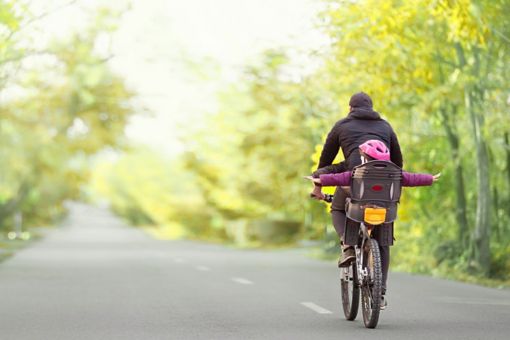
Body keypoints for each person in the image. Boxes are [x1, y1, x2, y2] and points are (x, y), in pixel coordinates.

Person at [307, 140, 440, 309]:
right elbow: (411, 178)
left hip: (360, 211)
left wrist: (318, 180)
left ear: (365, 157)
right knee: (384, 242)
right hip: (385, 213)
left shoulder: (357, 172)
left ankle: (349, 246)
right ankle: (380, 290)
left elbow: (338, 178)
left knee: (347, 212)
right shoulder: (394, 173)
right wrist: (429, 178)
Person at [310, 92, 403, 268]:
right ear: (371, 108)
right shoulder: (385, 126)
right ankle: (380, 291)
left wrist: (319, 185)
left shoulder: (342, 125)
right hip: (384, 184)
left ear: (350, 108)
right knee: (383, 233)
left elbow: (326, 159)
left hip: (353, 182)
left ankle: (348, 246)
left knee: (337, 209)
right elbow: (398, 163)